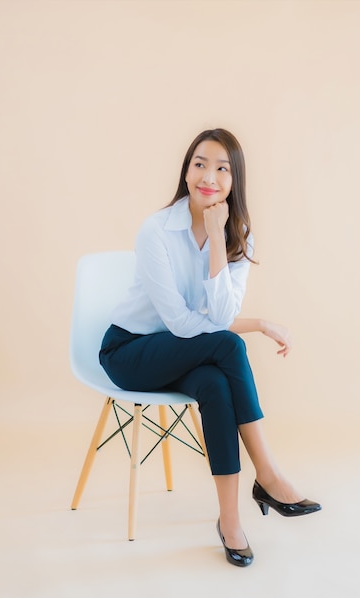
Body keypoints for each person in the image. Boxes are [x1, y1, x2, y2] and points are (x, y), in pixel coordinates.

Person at [99, 128, 321, 567]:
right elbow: (184, 324)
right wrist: (256, 323)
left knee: (217, 385)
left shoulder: (238, 236)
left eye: (222, 168)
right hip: (130, 353)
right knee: (229, 346)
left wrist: (219, 238)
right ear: (185, 172)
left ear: (234, 181)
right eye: (199, 163)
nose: (209, 177)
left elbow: (215, 321)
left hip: (186, 352)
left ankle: (230, 522)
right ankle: (269, 474)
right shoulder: (157, 231)